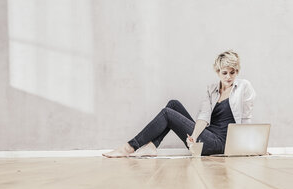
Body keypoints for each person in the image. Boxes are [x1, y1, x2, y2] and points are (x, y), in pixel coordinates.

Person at [102, 50, 256, 158]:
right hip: (206, 136)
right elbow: (204, 116)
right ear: (218, 72)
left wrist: (253, 148)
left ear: (237, 71)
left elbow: (246, 118)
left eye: (232, 72)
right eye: (225, 73)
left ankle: (129, 147)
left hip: (219, 144)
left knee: (167, 113)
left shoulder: (244, 86)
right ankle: (152, 146)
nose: (229, 77)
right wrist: (194, 137)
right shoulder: (212, 89)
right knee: (173, 104)